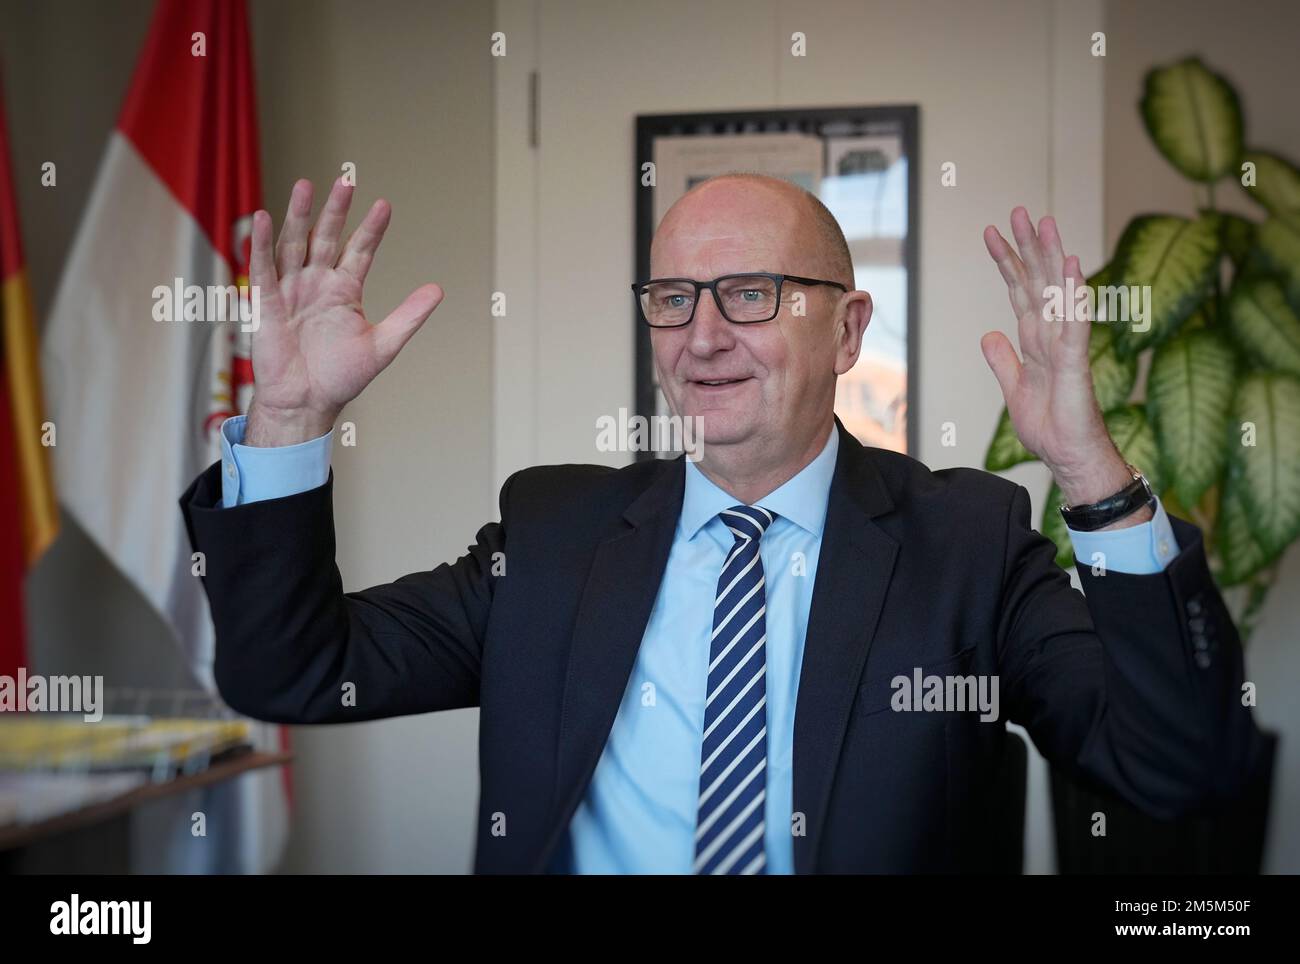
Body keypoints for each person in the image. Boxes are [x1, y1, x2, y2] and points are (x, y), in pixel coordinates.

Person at [181, 173, 1263, 874]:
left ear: (846, 329)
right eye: (672, 296)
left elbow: (1179, 765)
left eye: (749, 293)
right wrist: (287, 420)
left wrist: (1089, 468)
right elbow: (293, 673)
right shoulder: (552, 532)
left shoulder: (967, 541)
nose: (701, 335)